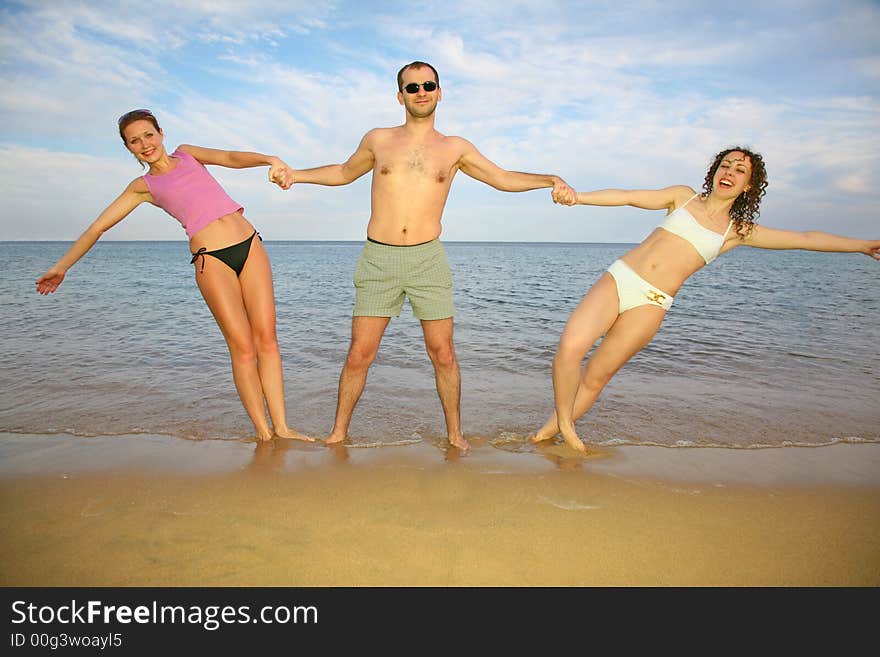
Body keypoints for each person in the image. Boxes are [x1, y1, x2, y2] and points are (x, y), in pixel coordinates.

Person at [291, 61, 574, 451]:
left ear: (440, 92)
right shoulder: (378, 139)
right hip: (379, 259)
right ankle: (338, 432)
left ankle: (455, 436)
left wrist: (550, 179)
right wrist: (295, 175)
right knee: (359, 354)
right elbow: (342, 172)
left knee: (443, 354)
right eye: (412, 87)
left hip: (428, 260)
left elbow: (502, 178)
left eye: (428, 85)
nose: (420, 92)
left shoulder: (454, 148)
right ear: (400, 96)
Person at [532, 146, 880, 453]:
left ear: (748, 187)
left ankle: (545, 434)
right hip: (621, 277)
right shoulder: (682, 198)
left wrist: (862, 245)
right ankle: (565, 423)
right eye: (726, 165)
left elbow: (804, 238)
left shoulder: (736, 232)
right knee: (570, 347)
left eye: (740, 171)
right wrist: (579, 197)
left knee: (596, 376)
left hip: (652, 302)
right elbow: (628, 195)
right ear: (714, 172)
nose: (730, 172)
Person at [35, 109, 314, 444]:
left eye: (148, 135)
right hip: (211, 260)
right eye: (134, 141)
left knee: (267, 339)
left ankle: (283, 427)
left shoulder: (189, 154)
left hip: (250, 245)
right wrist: (62, 266)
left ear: (160, 133)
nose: (144, 144)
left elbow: (229, 157)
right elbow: (99, 226)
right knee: (242, 349)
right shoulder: (142, 187)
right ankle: (264, 434)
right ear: (129, 149)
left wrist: (269, 159)